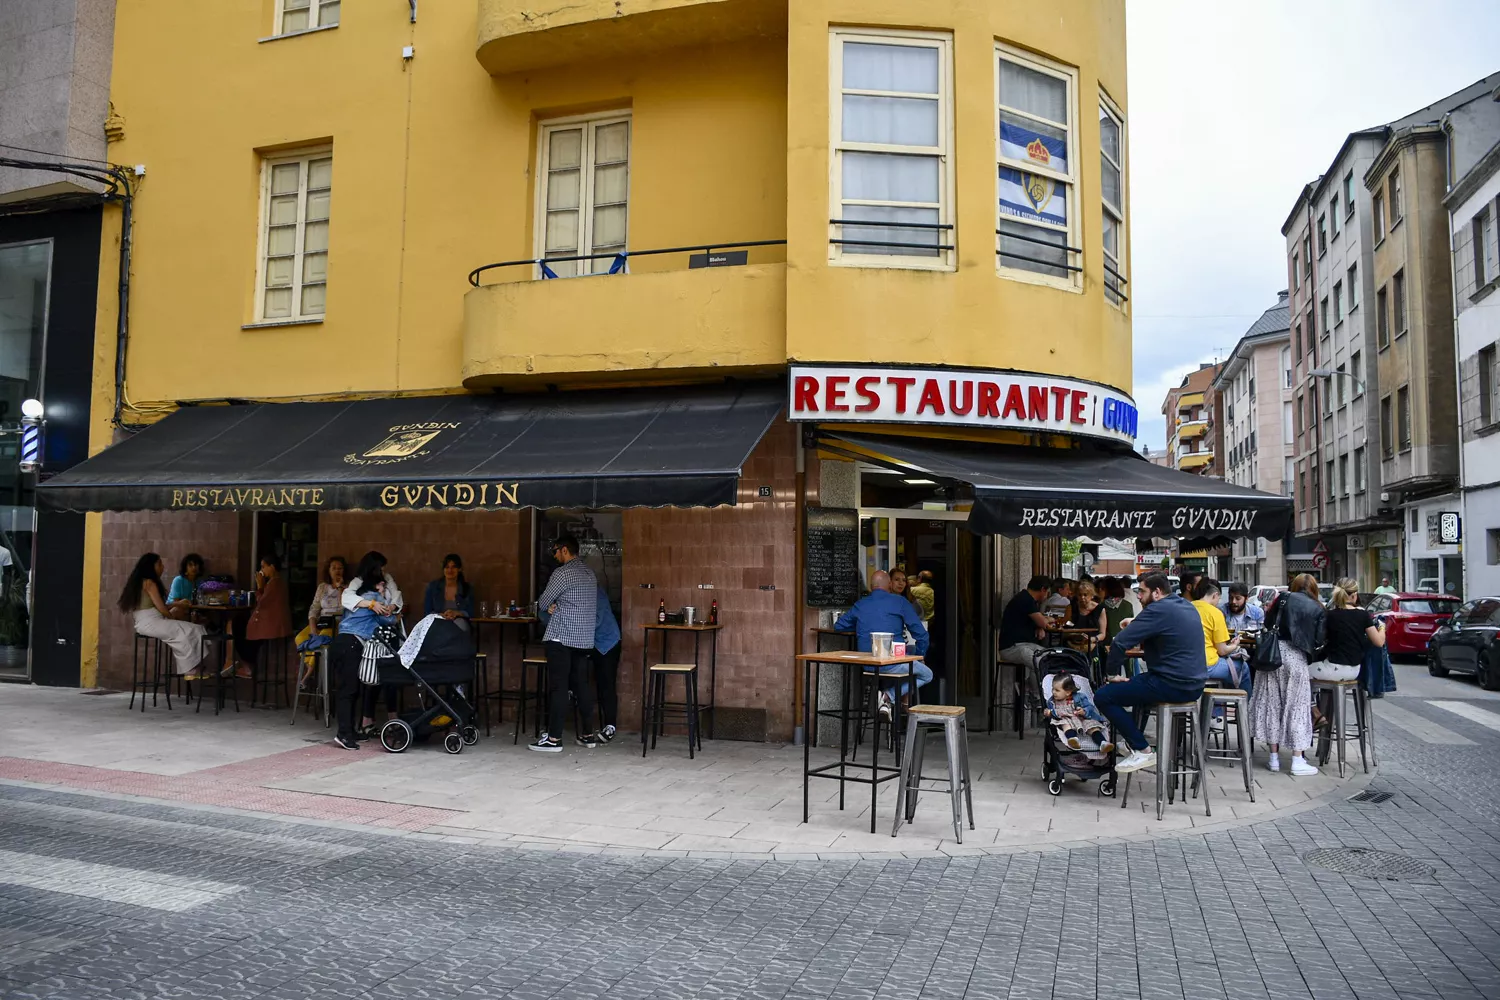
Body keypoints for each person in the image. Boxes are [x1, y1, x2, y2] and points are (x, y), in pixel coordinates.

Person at [1093, 572, 1209, 774]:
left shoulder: (1157, 609)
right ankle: (1133, 741)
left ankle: (1142, 749)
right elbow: (1166, 629)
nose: (1138, 596)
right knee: (1136, 684)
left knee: (1103, 696)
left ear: (1156, 592)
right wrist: (1137, 622)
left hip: (1170, 684)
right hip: (1194, 685)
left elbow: (1119, 643)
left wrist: (1111, 674)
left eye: (1142, 591)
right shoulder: (1184, 605)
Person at [1250, 574, 1326, 776]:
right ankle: (1297, 760)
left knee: (1272, 704)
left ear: (1294, 585)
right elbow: (1320, 640)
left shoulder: (1282, 598)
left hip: (1273, 654)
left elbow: (1267, 621)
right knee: (1297, 707)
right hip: (1296, 657)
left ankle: (1273, 759)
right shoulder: (1317, 607)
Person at [532, 534, 601, 752]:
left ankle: (553, 739)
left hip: (561, 637)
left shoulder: (562, 573)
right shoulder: (590, 574)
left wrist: (552, 606)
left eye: (555, 551)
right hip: (583, 639)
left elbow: (542, 602)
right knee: (582, 686)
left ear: (564, 550)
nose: (554, 555)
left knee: (559, 688)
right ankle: (588, 735)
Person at [834, 570, 933, 720]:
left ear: (872, 586)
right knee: (927, 674)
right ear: (889, 585)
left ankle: (886, 704)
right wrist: (920, 656)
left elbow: (839, 626)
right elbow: (922, 635)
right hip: (892, 662)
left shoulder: (860, 604)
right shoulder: (899, 602)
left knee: (910, 660)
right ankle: (888, 696)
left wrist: (863, 625)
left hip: (868, 665)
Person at [331, 552, 402, 750]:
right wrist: (395, 614)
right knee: (349, 690)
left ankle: (351, 730)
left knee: (353, 690)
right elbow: (386, 618)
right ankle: (343, 734)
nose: (385, 589)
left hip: (347, 643)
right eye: (382, 585)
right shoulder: (371, 598)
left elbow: (383, 617)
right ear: (375, 583)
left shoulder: (365, 598)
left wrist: (390, 611)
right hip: (351, 644)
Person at [119, 552, 209, 680]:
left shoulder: (140, 582)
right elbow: (161, 608)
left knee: (194, 629)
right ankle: (190, 669)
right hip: (152, 622)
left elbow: (159, 607)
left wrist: (176, 605)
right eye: (159, 564)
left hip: (147, 622)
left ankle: (194, 667)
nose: (163, 566)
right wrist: (172, 618)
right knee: (191, 629)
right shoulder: (149, 583)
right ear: (151, 566)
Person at [1315, 582, 1384, 683]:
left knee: (1302, 671)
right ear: (1354, 595)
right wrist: (1382, 627)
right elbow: (1379, 642)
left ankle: (1315, 698)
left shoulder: (1330, 615)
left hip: (1333, 667)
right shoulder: (1363, 615)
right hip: (1355, 670)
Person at [296, 555, 346, 691]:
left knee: (322, 638)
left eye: (340, 568)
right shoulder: (322, 587)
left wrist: (340, 588)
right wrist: (312, 628)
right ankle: (311, 667)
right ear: (328, 570)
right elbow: (314, 609)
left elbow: (344, 608)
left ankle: (309, 673)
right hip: (321, 621)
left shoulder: (348, 588)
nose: (337, 571)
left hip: (336, 623)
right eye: (334, 568)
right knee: (300, 638)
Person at [1044, 674, 1114, 752]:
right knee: (1065, 724)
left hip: (1081, 718)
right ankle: (1073, 739)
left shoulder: (1079, 697)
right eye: (1053, 689)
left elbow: (1090, 707)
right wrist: (1049, 713)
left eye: (1057, 690)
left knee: (1092, 726)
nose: (1053, 692)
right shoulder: (1052, 701)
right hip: (1067, 719)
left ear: (1067, 692)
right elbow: (1054, 713)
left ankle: (1102, 743)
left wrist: (1084, 711)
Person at [589, 585, 622, 743]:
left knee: (606, 684)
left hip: (607, 642)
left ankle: (610, 726)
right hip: (589, 643)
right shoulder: (570, 591)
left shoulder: (597, 592)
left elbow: (596, 620)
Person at [998, 575, 1052, 670]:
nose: (1047, 595)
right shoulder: (1025, 599)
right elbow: (1043, 622)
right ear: (1043, 589)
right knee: (1040, 661)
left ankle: (1034, 684)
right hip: (1012, 648)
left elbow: (1036, 622)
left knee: (1049, 656)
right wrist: (1050, 619)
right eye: (1047, 592)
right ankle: (1051, 681)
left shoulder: (1027, 599)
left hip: (1025, 645)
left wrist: (1039, 628)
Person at [423, 553, 475, 632]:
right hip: (438, 621)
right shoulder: (433, 587)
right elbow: (427, 612)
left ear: (459, 569)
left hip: (459, 621)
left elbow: (471, 612)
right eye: (447, 567)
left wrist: (457, 613)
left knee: (458, 625)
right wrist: (441, 615)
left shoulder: (467, 588)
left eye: (454, 567)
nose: (450, 570)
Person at [1072, 580, 1106, 651]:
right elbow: (1067, 625)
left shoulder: (1100, 609)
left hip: (1092, 643)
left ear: (1092, 596)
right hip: (1073, 642)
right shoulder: (1072, 607)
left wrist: (1092, 639)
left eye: (1085, 595)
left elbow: (1102, 634)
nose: (1082, 597)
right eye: (1080, 595)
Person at [167, 553, 204, 618]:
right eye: (190, 565)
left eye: (196, 565)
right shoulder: (178, 580)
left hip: (192, 609)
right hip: (174, 609)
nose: (194, 567)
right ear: (185, 568)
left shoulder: (199, 582)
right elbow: (177, 602)